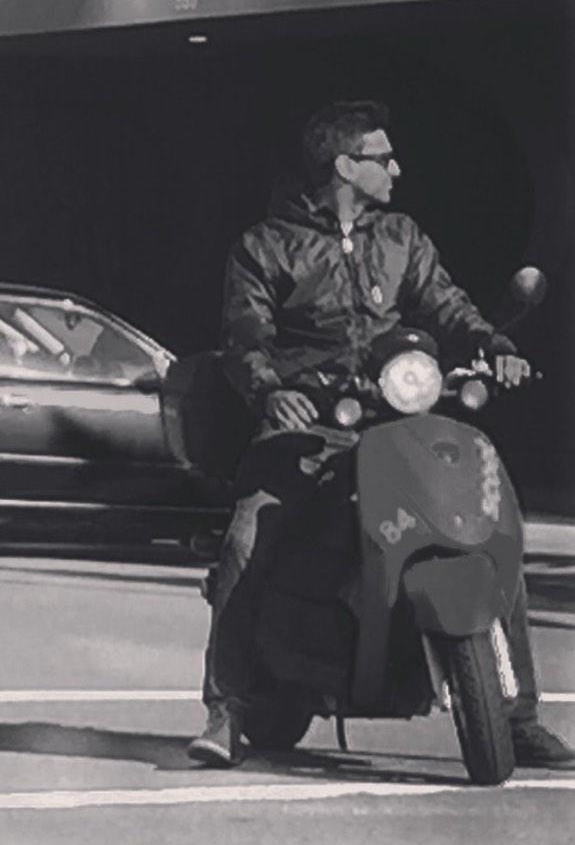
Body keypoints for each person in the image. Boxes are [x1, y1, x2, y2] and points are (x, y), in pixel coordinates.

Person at [188, 100, 575, 770]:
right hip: (309, 426)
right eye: (382, 158)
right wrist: (271, 390)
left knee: (489, 523)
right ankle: (228, 711)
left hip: (398, 419)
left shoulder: (401, 237)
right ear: (344, 166)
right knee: (248, 537)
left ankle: (515, 717)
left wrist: (494, 345)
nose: (396, 169)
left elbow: (446, 304)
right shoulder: (265, 246)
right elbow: (245, 337)